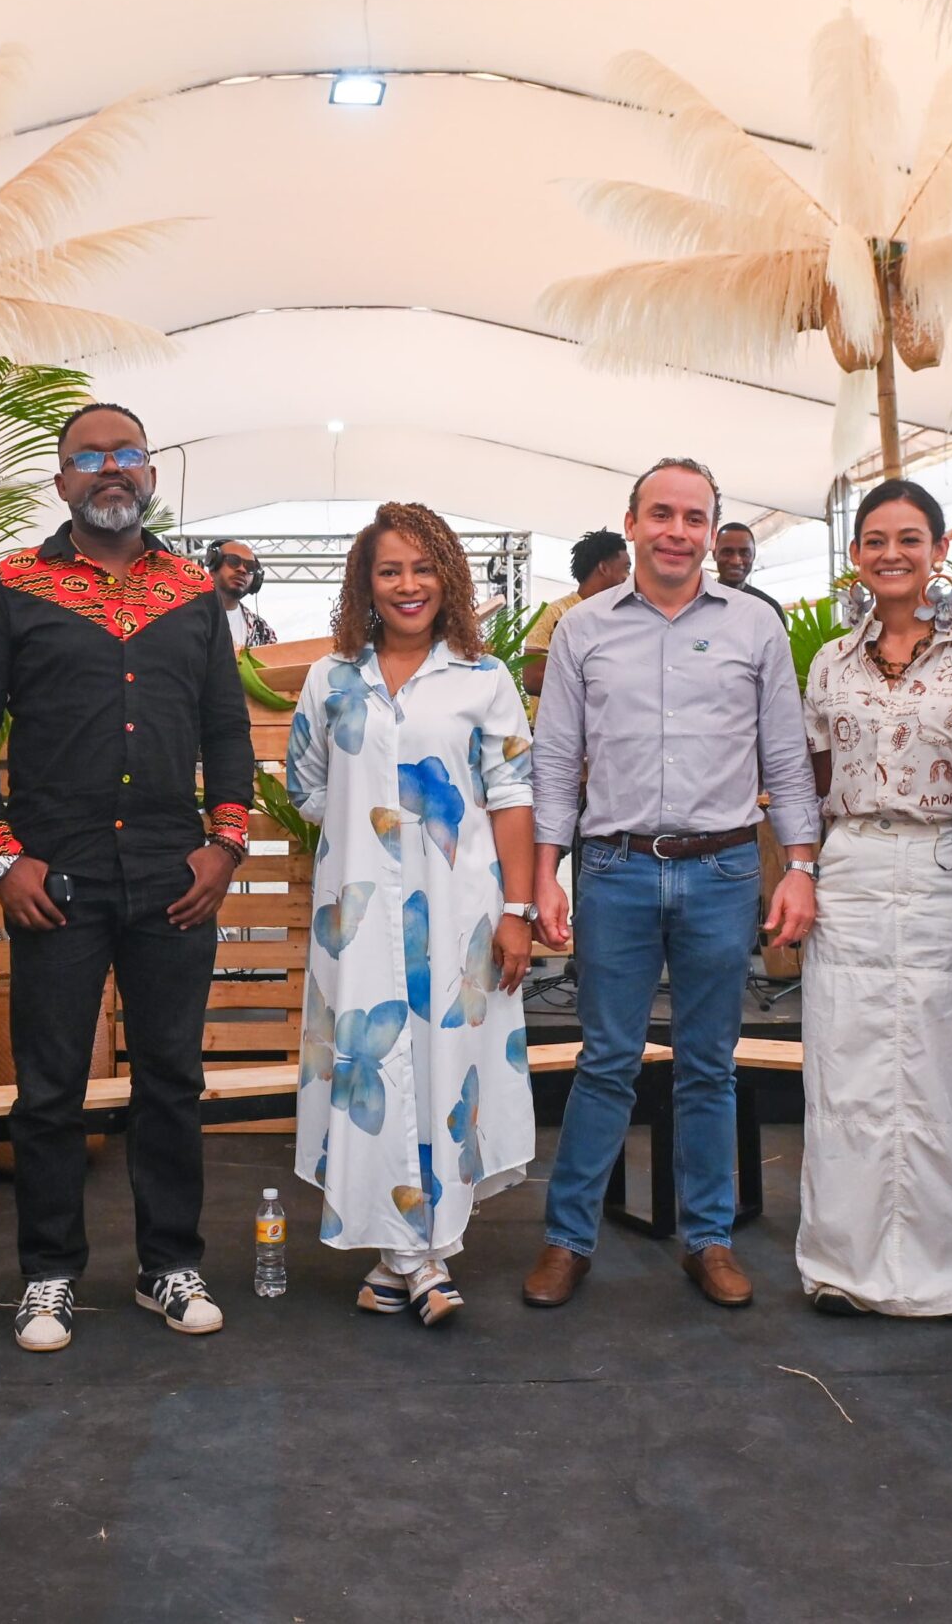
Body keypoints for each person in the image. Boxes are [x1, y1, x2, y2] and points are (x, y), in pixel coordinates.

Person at [0, 401, 254, 1353]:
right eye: (89, 458)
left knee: (171, 1075)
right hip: (56, 878)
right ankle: (47, 1275)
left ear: (150, 474)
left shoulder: (195, 594)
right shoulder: (13, 586)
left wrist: (225, 845)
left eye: (126, 455)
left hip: (172, 875)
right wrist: (2, 857)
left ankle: (169, 1265)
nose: (109, 470)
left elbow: (227, 731)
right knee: (48, 1086)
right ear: (62, 480)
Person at [524, 458, 819, 1310]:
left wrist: (799, 867)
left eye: (695, 516)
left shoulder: (755, 628)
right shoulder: (583, 629)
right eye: (663, 513)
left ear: (712, 528)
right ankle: (565, 1239)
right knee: (607, 1059)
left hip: (724, 868)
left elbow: (786, 760)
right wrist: (545, 875)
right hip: (613, 867)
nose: (678, 531)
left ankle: (710, 1238)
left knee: (709, 1064)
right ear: (631, 520)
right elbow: (552, 764)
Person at [285, 503, 536, 1327]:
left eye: (423, 568)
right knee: (375, 1069)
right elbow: (308, 787)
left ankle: (404, 1257)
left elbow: (510, 796)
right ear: (366, 582)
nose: (407, 584)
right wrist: (369, 839)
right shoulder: (330, 680)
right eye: (389, 569)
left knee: (442, 1069)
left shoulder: (482, 678)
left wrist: (517, 910)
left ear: (448, 578)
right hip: (358, 919)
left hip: (458, 917)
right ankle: (417, 1260)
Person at [796, 481, 952, 1322]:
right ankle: (841, 1266)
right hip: (850, 866)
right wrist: (806, 870)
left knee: (948, 1071)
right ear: (855, 556)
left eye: (910, 538)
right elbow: (813, 778)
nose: (892, 553)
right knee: (845, 1071)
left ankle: (951, 1275)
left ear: (939, 550)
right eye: (875, 539)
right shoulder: (829, 662)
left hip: (948, 867)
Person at [519, 529, 629, 702]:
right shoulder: (555, 613)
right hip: (559, 727)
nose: (629, 578)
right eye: (626, 568)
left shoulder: (622, 619)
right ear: (604, 568)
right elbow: (532, 678)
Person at [206, 539, 278, 649]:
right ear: (213, 567)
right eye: (233, 561)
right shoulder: (186, 616)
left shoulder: (261, 630)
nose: (242, 569)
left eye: (250, 567)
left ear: (256, 580)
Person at [714, 521, 787, 616]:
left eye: (744, 553)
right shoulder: (697, 602)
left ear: (754, 555)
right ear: (714, 554)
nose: (736, 561)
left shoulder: (768, 608)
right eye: (727, 552)